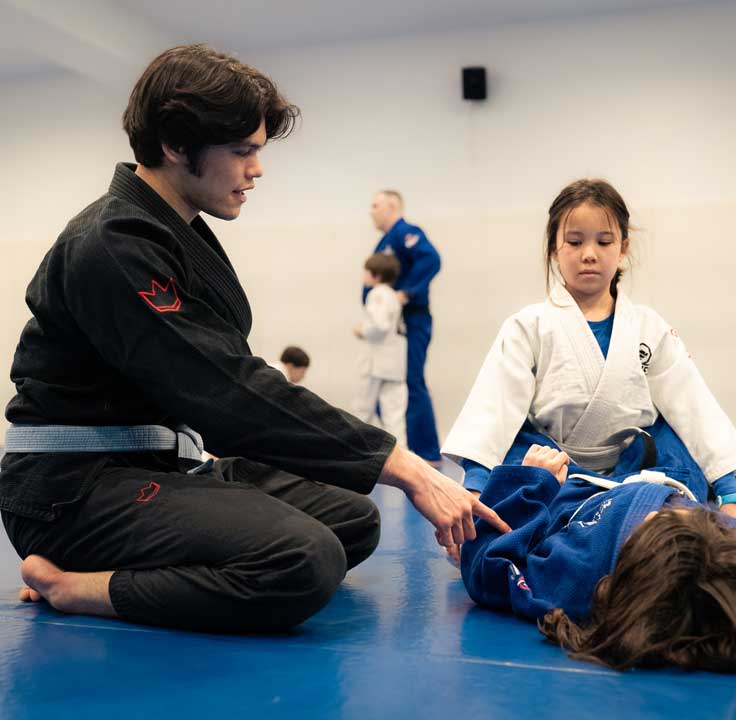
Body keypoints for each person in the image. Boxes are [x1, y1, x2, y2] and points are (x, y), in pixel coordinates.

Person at [0, 44, 508, 633]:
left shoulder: (170, 231)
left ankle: (140, 556)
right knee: (304, 559)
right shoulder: (113, 244)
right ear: (174, 144)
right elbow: (228, 393)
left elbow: (227, 380)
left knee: (354, 522)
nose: (257, 169)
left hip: (157, 464)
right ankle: (77, 586)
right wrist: (410, 468)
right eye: (242, 151)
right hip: (72, 493)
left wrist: (393, 466)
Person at [442, 178, 736, 529]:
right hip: (557, 473)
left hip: (638, 470)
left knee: (674, 433)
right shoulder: (528, 326)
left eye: (603, 241)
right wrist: (472, 495)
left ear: (623, 247)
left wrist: (731, 498)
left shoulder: (649, 328)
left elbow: (694, 407)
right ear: (553, 249)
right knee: (519, 459)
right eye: (574, 242)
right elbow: (493, 410)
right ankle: (638, 524)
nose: (589, 253)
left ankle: (615, 523)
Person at [461, 448, 736, 672]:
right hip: (682, 481)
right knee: (680, 439)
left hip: (578, 491)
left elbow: (488, 568)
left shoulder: (573, 576)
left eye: (654, 522)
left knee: (533, 446)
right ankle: (727, 492)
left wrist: (533, 483)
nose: (663, 512)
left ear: (625, 572)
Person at [368, 190, 441, 465]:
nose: (371, 211)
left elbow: (430, 259)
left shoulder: (406, 233)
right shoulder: (385, 241)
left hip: (411, 321)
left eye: (376, 205)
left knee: (411, 381)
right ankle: (402, 450)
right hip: (392, 328)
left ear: (392, 206)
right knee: (387, 385)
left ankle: (426, 453)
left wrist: (406, 292)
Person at [352, 253, 407, 444]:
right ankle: (402, 458)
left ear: (375, 275)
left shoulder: (378, 294)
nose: (363, 276)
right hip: (392, 363)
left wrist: (362, 330)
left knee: (362, 410)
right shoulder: (393, 295)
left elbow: (379, 326)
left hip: (375, 363)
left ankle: (356, 452)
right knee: (394, 415)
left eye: (366, 272)